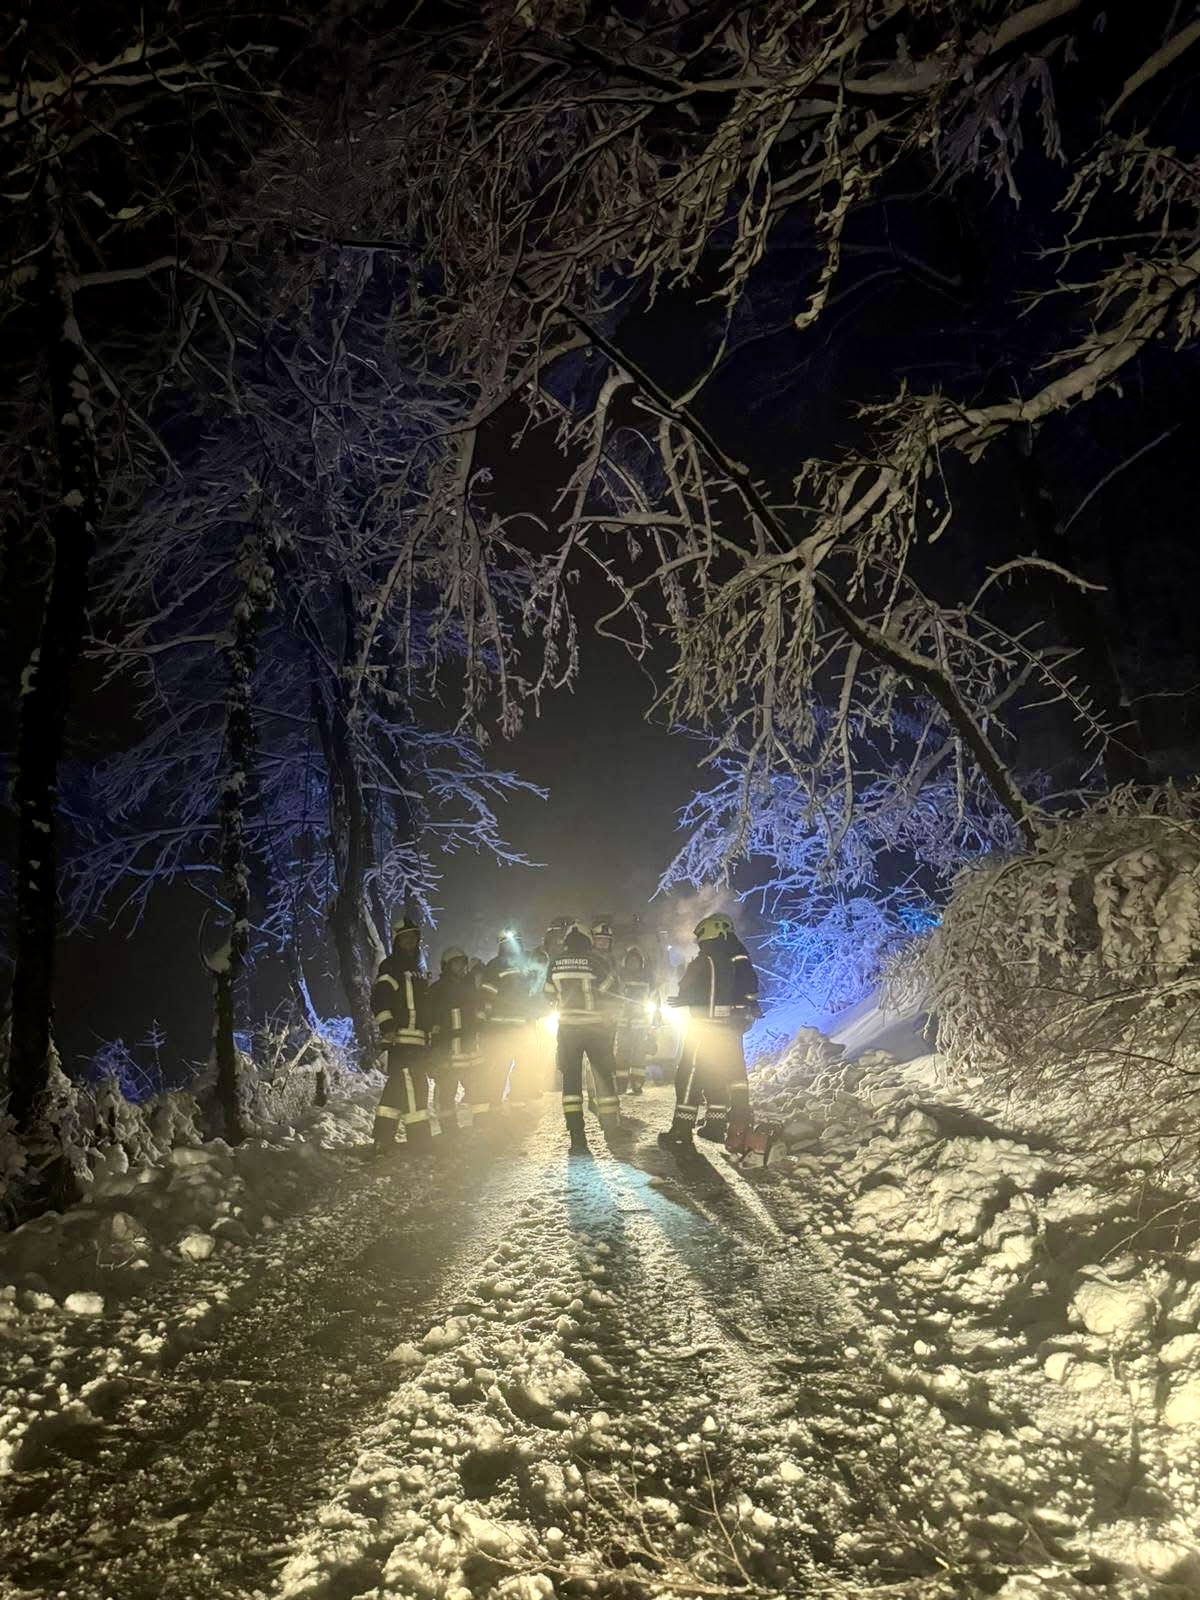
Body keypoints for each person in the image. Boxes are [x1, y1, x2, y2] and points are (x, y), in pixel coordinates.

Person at [658, 913, 759, 1151]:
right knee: (724, 1073)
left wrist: (685, 996)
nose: (698, 942)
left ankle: (681, 1131)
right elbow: (751, 988)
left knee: (689, 1074)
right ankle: (716, 1125)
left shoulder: (708, 958)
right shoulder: (739, 956)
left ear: (709, 932)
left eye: (700, 936)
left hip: (705, 1027)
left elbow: (687, 986)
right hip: (731, 1027)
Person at [544, 922, 622, 1154]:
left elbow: (547, 994)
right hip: (595, 1029)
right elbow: (612, 989)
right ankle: (611, 1130)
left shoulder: (555, 962)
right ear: (588, 941)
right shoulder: (595, 961)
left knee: (571, 1081)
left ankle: (577, 1138)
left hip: (567, 1030)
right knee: (603, 1076)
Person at [370, 916, 433, 1155]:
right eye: (405, 937)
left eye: (413, 937)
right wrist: (387, 1027)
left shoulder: (419, 970)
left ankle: (382, 1138)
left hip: (418, 1040)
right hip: (402, 1039)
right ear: (397, 940)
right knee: (413, 1085)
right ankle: (419, 1138)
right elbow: (379, 999)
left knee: (397, 1087)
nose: (410, 941)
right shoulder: (391, 967)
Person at [428, 946, 486, 1140]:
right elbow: (431, 1021)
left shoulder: (470, 988)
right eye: (456, 963)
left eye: (462, 963)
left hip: (470, 1050)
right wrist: (435, 1051)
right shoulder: (437, 990)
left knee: (478, 1090)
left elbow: (479, 1013)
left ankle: (482, 1126)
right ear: (446, 966)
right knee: (446, 1092)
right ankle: (449, 1131)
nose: (461, 967)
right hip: (448, 1052)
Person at [479, 930, 534, 1118]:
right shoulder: (494, 965)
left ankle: (518, 1104)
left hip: (521, 1027)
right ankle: (494, 1107)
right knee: (499, 1067)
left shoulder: (526, 965)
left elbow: (532, 992)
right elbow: (487, 992)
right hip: (501, 1027)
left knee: (523, 1066)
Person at [614, 946, 657, 1095]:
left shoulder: (647, 978)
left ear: (641, 963)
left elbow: (654, 998)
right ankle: (621, 1083)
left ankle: (637, 1083)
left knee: (639, 1054)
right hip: (623, 1022)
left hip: (641, 1024)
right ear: (626, 962)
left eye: (636, 961)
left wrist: (655, 1020)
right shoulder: (620, 976)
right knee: (622, 1053)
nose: (633, 963)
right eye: (630, 961)